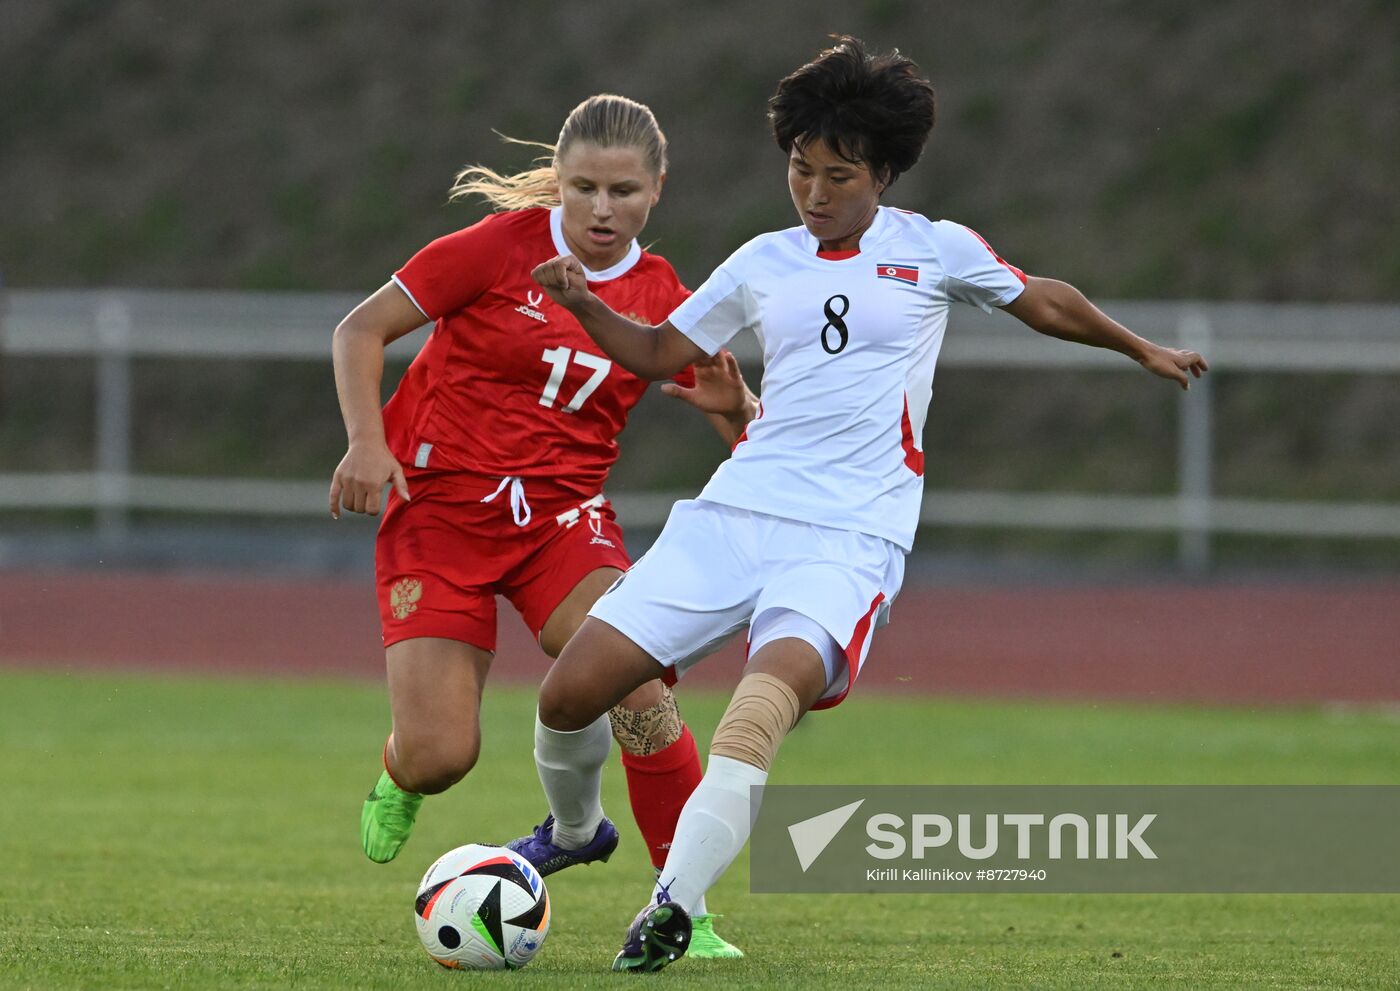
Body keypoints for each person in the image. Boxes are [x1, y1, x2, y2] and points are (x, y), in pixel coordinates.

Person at [509, 38, 1210, 972]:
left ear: (882, 172)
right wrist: (585, 307)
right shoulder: (761, 260)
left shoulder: (934, 247)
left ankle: (672, 906)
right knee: (566, 695)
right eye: (801, 170)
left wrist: (1140, 349)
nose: (814, 192)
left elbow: (1039, 297)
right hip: (736, 512)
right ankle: (575, 826)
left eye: (838, 175)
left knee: (757, 709)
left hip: (848, 537)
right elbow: (659, 355)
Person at [330, 94, 756, 959]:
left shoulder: (665, 298)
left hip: (563, 525)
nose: (603, 209)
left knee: (640, 686)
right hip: (438, 518)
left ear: (658, 189)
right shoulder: (497, 250)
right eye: (584, 188)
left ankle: (686, 911)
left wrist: (738, 405)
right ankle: (401, 769)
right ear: (557, 184)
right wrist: (367, 443)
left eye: (624, 191)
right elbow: (360, 328)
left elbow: (748, 430)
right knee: (442, 753)